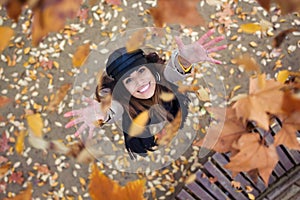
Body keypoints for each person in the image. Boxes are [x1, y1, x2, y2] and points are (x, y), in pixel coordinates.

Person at [64, 29, 226, 159]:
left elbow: (172, 72)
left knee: (175, 112)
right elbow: (115, 109)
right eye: (128, 80)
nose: (139, 81)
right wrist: (103, 113)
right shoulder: (122, 101)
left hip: (167, 106)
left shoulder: (160, 77)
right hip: (139, 121)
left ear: (151, 69)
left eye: (141, 71)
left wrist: (184, 61)